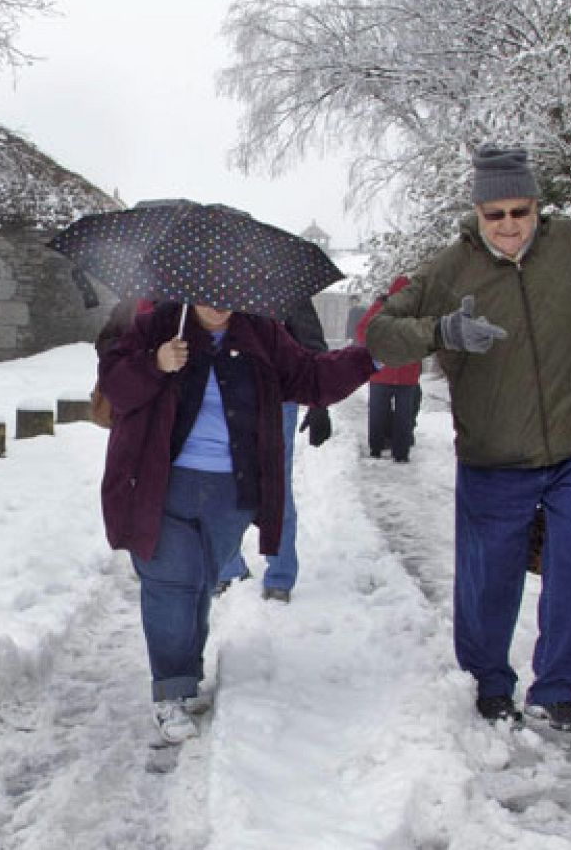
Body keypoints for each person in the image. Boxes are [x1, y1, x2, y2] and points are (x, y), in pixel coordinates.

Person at [363, 145, 571, 734]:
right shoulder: (448, 269)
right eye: (495, 214)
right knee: (491, 573)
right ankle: (489, 681)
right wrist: (442, 330)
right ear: (477, 214)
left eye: (520, 212)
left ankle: (561, 688)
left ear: (537, 207)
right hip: (494, 451)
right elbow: (378, 332)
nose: (508, 225)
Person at [98, 301, 373, 744]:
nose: (219, 301)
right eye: (208, 290)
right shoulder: (156, 327)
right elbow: (115, 387)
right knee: (170, 584)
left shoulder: (262, 334)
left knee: (200, 582)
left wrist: (373, 354)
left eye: (228, 292)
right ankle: (171, 690)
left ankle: (184, 672)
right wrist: (155, 363)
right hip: (161, 483)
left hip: (234, 491)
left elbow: (312, 378)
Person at [215, 296, 330, 602]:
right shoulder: (214, 286)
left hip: (276, 400)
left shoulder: (279, 288)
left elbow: (310, 343)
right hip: (223, 399)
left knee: (274, 485)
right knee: (225, 481)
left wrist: (320, 403)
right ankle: (229, 568)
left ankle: (277, 575)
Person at [355, 276, 422, 463]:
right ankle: (392, 452)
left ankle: (387, 451)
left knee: (393, 414)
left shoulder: (415, 311)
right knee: (397, 415)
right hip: (388, 373)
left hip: (394, 374)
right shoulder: (383, 308)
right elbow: (362, 330)